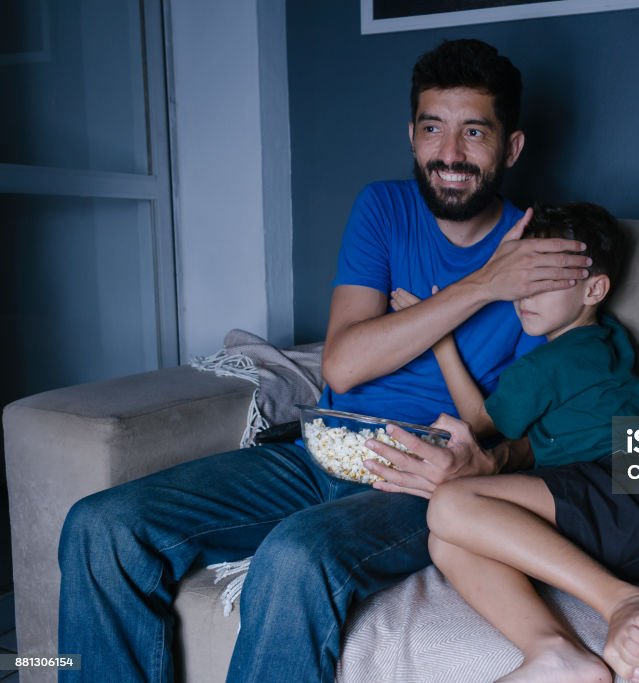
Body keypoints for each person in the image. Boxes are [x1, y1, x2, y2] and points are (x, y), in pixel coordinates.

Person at [56, 39, 591, 683]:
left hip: (421, 481)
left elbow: (546, 423)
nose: (449, 154)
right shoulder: (383, 209)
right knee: (101, 526)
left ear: (511, 148)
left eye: (474, 132)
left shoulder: (542, 255)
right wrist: (481, 285)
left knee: (295, 554)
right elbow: (344, 365)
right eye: (432, 129)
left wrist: (488, 450)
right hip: (324, 450)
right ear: (412, 136)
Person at [374, 203, 639, 683]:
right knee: (449, 542)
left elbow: (480, 421)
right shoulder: (609, 341)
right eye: (526, 278)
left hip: (628, 496)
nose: (526, 295)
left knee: (449, 505)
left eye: (547, 279)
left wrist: (438, 339)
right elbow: (551, 441)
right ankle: (555, 653)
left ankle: (622, 599)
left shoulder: (553, 363)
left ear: (595, 289)